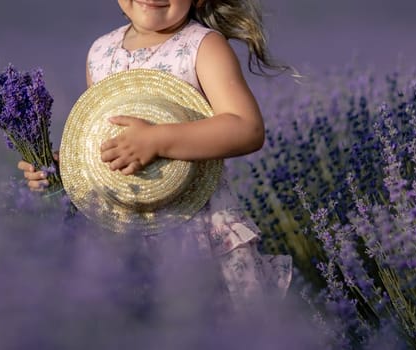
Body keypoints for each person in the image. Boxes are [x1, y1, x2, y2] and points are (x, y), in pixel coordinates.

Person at [17, 0, 293, 312]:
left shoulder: (202, 47)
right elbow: (103, 142)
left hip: (199, 231)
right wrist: (61, 168)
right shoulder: (100, 52)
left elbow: (247, 128)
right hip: (124, 236)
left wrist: (159, 140)